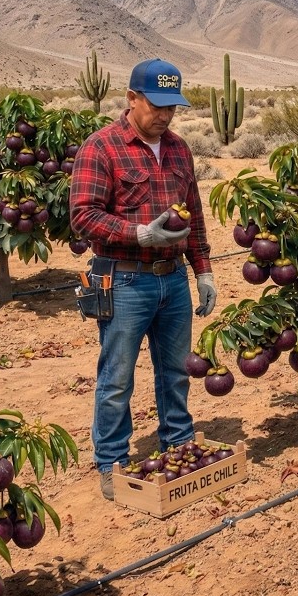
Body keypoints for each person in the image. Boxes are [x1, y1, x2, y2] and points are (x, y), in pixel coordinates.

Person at [70, 57, 218, 500]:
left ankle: (179, 440)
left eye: (172, 107)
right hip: (125, 279)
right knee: (116, 377)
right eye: (157, 106)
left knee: (174, 370)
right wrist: (138, 233)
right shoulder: (101, 148)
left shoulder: (178, 148)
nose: (166, 115)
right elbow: (82, 216)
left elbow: (193, 215)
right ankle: (111, 459)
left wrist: (204, 271)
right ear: (131, 98)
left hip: (171, 279)